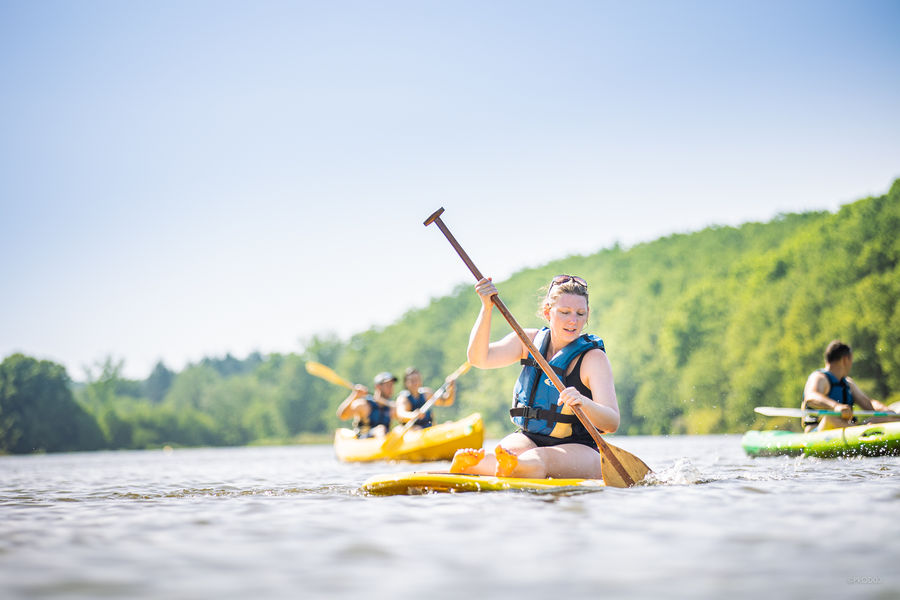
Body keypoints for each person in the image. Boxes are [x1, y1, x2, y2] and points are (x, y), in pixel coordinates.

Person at [450, 274, 619, 479]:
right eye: (565, 312)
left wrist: (583, 402)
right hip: (529, 437)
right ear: (548, 311)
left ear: (587, 314)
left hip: (581, 448)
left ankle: (512, 467)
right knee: (505, 452)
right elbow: (479, 358)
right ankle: (484, 465)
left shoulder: (594, 359)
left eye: (580, 313)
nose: (573, 321)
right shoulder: (527, 342)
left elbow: (611, 422)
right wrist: (486, 308)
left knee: (540, 457)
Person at [801, 340, 895, 432]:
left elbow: (868, 404)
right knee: (830, 418)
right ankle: (861, 431)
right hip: (817, 431)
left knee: (884, 418)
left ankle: (861, 431)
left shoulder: (848, 383)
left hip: (849, 428)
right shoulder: (819, 378)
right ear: (845, 359)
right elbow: (811, 397)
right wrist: (835, 406)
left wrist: (884, 410)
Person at [336, 372, 397, 438]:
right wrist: (355, 396)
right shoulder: (363, 404)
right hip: (364, 438)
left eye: (392, 385)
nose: (391, 388)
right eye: (388, 385)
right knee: (380, 429)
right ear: (378, 387)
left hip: (384, 437)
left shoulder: (391, 407)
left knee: (398, 429)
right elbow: (342, 416)